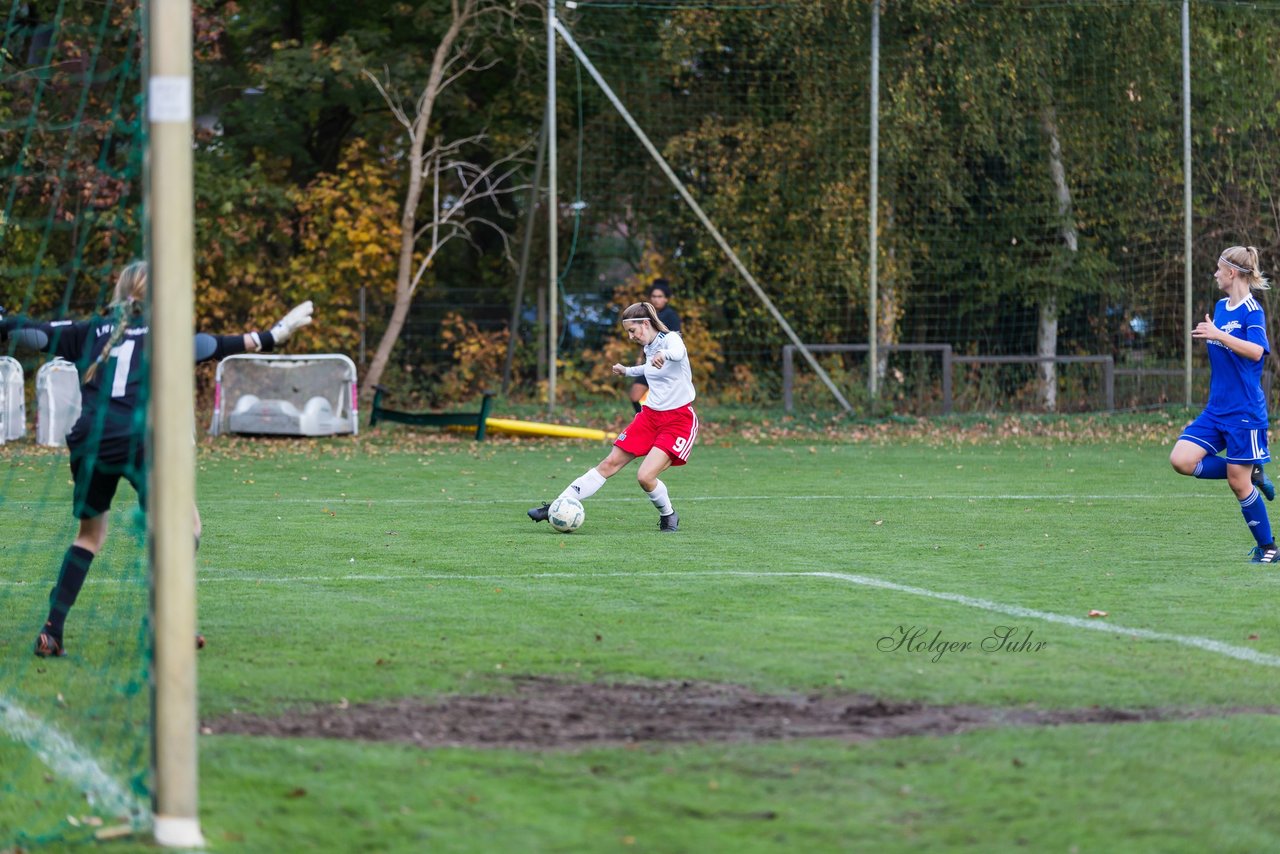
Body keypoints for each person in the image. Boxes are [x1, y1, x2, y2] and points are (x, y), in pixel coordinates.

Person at [0, 261, 315, 656]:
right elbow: (220, 345)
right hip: (142, 440)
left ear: (120, 291)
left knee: (90, 536)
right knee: (186, 527)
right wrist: (277, 333)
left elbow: (35, 333)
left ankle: (52, 630)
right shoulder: (166, 335)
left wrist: (6, 321)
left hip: (91, 440)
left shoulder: (89, 331)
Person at [529, 301, 698, 532]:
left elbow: (677, 354)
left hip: (677, 421)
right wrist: (628, 370)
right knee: (608, 464)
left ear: (646, 323)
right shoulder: (649, 348)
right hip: (649, 417)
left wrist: (665, 354)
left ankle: (668, 515)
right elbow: (649, 368)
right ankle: (555, 507)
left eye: (632, 331)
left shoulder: (671, 340)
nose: (631, 337)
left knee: (645, 477)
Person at [1169, 245, 1278, 564]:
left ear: (1232, 273)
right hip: (1216, 409)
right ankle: (1251, 468)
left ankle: (1269, 547)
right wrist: (1214, 333)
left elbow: (1258, 351)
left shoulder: (1251, 310)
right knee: (1181, 460)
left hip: (1245, 412)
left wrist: (1218, 334)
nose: (1215, 274)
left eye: (1219, 269)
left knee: (1237, 482)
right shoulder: (1220, 306)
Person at [629, 279, 681, 414]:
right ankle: (646, 424)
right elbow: (646, 339)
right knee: (635, 395)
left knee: (663, 401)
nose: (656, 299)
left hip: (664, 364)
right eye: (654, 296)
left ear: (666, 299)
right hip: (649, 363)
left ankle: (658, 425)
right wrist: (640, 357)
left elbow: (676, 339)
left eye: (660, 296)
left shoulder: (671, 316)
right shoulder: (649, 316)